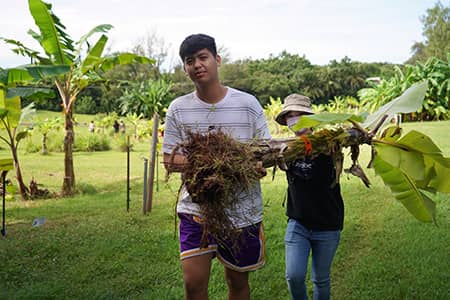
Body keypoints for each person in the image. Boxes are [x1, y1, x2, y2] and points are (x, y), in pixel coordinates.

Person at [162, 33, 271, 300]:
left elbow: (265, 153)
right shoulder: (178, 109)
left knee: (237, 282)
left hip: (241, 211)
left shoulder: (248, 104)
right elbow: (169, 159)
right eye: (190, 61)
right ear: (185, 68)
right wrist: (214, 165)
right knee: (193, 284)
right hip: (195, 208)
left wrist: (251, 166)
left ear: (217, 60)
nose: (197, 65)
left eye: (203, 57)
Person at [275, 94, 344, 300]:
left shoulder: (329, 143)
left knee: (321, 280)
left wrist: (333, 148)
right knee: (294, 276)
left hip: (328, 223)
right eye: (290, 116)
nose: (295, 119)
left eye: (300, 114)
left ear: (310, 117)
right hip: (299, 223)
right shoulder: (283, 149)